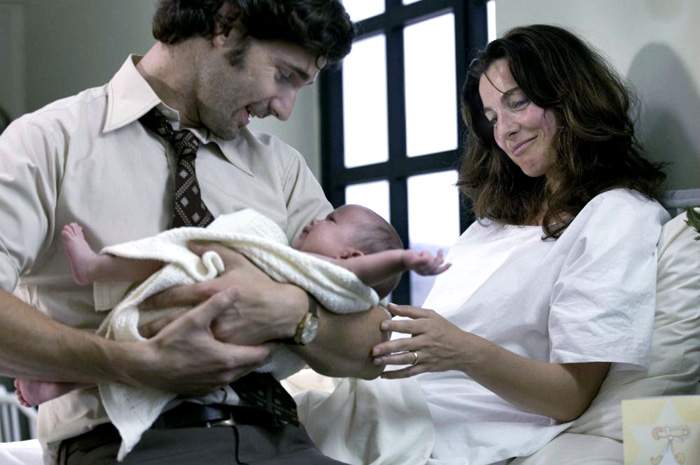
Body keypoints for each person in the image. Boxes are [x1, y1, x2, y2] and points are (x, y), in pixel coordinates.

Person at [0, 1, 392, 464]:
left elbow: (372, 343)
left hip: (282, 441)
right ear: (226, 24)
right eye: (285, 76)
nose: (285, 110)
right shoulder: (47, 142)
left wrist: (291, 312)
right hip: (126, 443)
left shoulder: (281, 169)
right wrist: (128, 363)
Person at [301, 25, 670, 465]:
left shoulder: (617, 215)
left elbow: (570, 395)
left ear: (571, 96)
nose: (505, 131)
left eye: (517, 103)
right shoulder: (494, 224)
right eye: (492, 118)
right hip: (394, 397)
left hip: (457, 427)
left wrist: (462, 350)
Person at [15, 204, 449, 407]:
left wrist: (406, 260)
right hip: (192, 313)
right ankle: (93, 277)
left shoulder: (331, 272)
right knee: (178, 262)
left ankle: (96, 272)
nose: (317, 218)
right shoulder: (301, 258)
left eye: (332, 221)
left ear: (351, 258)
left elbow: (368, 293)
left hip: (240, 360)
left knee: (181, 263)